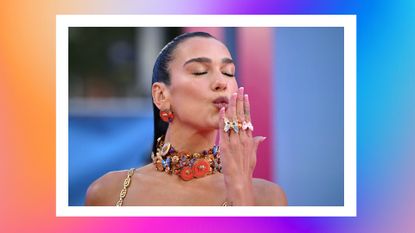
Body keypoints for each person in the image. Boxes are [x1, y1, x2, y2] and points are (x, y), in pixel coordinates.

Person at [85, 31, 287, 206]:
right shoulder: (108, 192)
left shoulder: (267, 198)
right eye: (200, 71)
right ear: (161, 96)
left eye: (228, 72)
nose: (221, 82)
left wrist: (240, 188)